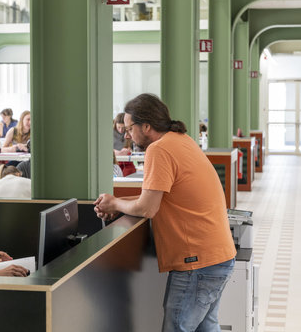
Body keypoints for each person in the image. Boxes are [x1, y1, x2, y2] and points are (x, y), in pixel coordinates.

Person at [94, 93, 236, 331]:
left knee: (177, 327)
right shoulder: (180, 140)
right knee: (206, 327)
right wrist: (115, 202)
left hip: (197, 262)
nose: (126, 136)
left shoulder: (159, 150)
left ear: (146, 126)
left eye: (129, 129)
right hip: (217, 255)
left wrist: (116, 204)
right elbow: (156, 197)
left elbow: (147, 208)